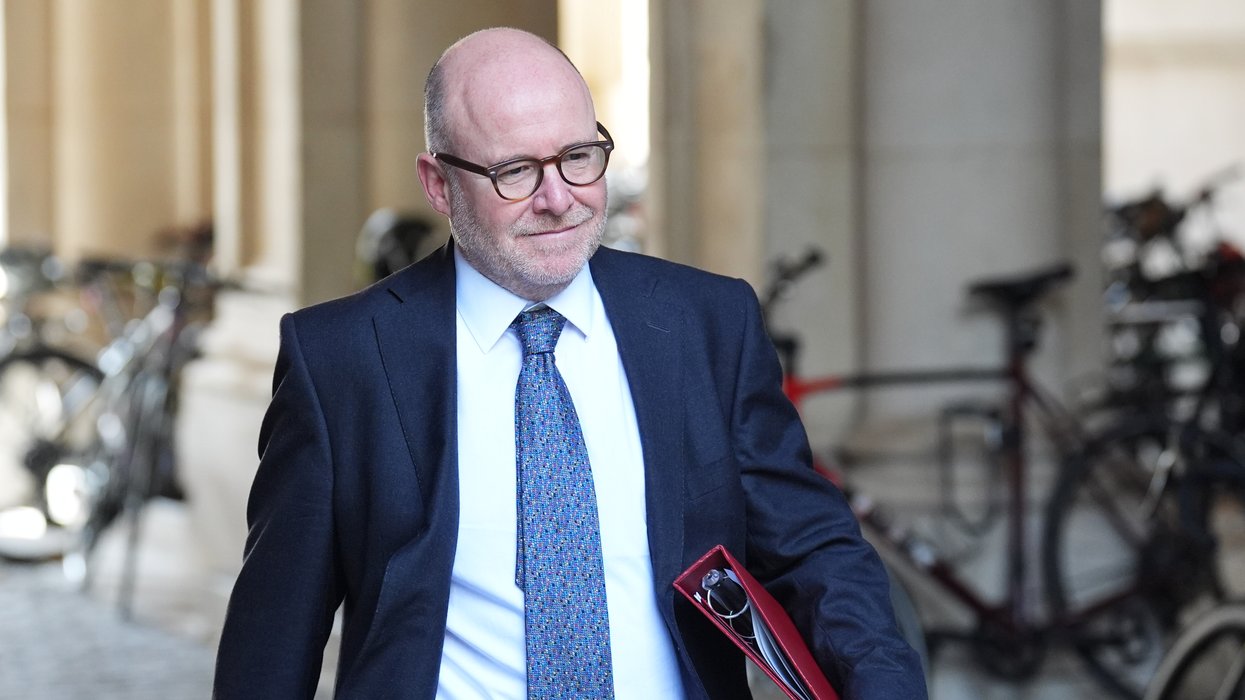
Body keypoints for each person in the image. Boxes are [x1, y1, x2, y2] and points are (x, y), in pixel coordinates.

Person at [213, 27, 926, 700]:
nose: (559, 199)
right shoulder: (341, 360)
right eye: (515, 171)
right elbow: (274, 635)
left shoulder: (706, 323)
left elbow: (810, 547)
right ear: (438, 184)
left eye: (579, 157)